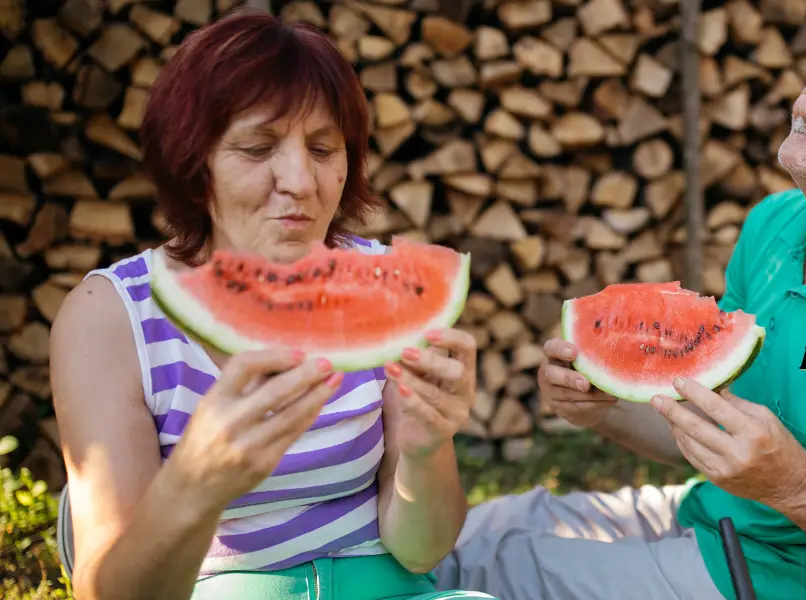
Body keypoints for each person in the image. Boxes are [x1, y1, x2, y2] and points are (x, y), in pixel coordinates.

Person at [431, 0, 806, 599]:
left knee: (481, 566)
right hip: (721, 519)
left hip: (791, 579)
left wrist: (796, 485)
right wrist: (601, 407)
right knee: (473, 526)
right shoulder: (775, 227)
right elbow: (718, 433)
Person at [49, 10, 494, 600]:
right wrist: (194, 485)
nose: (301, 181)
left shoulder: (384, 287)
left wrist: (426, 449)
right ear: (193, 162)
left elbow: (422, 548)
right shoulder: (109, 317)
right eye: (258, 148)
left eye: (323, 148)